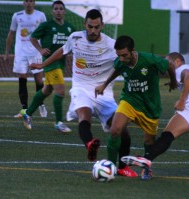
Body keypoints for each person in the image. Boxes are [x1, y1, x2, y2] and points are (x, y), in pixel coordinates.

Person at [29, 9, 137, 177]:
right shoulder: (75, 37)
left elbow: (127, 60)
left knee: (122, 131)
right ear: (84, 24)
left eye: (96, 27)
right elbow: (61, 51)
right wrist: (42, 65)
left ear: (102, 25)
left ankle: (122, 167)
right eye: (89, 26)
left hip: (104, 94)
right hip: (81, 87)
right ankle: (89, 144)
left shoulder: (111, 45)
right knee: (84, 115)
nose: (92, 31)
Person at [121, 52, 189, 180]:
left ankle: (146, 159)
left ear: (178, 61)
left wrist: (182, 100)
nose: (167, 67)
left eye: (169, 62)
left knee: (168, 134)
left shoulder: (181, 69)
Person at [95, 35, 177, 180]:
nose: (121, 59)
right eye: (119, 55)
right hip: (129, 101)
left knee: (149, 142)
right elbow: (117, 70)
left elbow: (169, 65)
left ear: (133, 51)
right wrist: (104, 84)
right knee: (115, 130)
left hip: (150, 106)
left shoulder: (149, 59)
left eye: (124, 55)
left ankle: (146, 168)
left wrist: (173, 81)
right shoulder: (120, 61)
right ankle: (111, 166)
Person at [22, 0, 75, 133]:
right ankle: (59, 122)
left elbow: (73, 45)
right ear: (52, 11)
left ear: (64, 11)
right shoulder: (46, 25)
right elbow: (33, 37)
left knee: (47, 90)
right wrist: (40, 50)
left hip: (61, 63)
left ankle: (27, 113)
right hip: (50, 63)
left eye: (60, 9)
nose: (58, 11)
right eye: (56, 9)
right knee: (61, 91)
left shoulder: (70, 28)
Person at [4, 0, 47, 118]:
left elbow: (46, 32)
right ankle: (24, 109)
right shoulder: (17, 16)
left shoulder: (41, 15)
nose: (29, 3)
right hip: (21, 53)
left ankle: (41, 104)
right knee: (22, 79)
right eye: (27, 1)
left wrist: (45, 49)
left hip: (36, 52)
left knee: (39, 80)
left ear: (34, 3)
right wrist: (7, 52)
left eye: (31, 1)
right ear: (23, 3)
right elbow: (11, 33)